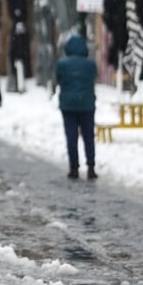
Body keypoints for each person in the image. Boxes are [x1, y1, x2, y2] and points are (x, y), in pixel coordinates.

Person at [56, 33, 98, 180]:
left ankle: (74, 168)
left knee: (71, 137)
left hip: (68, 106)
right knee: (88, 136)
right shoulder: (90, 64)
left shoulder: (62, 64)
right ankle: (91, 167)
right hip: (87, 105)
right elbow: (93, 78)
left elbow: (59, 80)